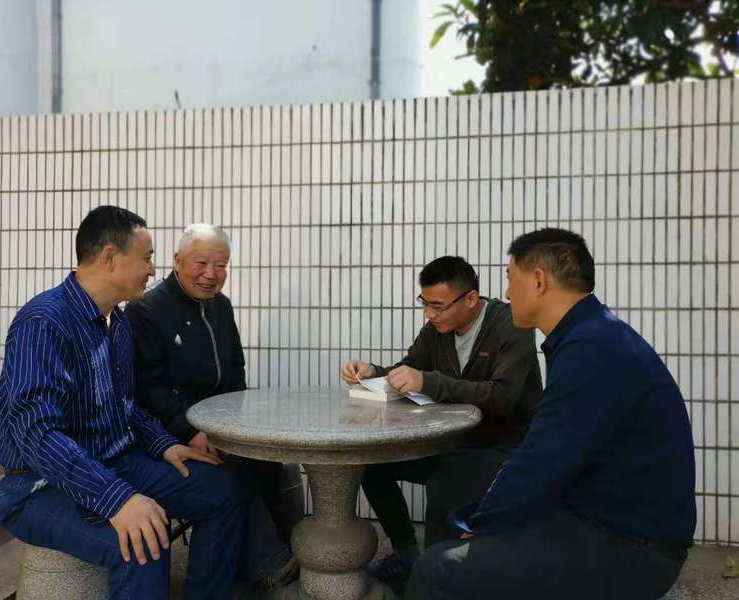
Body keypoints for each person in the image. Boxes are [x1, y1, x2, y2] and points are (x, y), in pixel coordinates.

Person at [406, 228, 696, 600]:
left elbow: (542, 459)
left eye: (511, 278)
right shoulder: (590, 335)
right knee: (459, 477)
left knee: (437, 569)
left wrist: (484, 524)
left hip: (632, 545)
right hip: (596, 513)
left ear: (539, 281)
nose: (507, 292)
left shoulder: (591, 349)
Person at [0, 206, 245, 600]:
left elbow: (125, 407)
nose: (152, 270)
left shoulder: (119, 322)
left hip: (117, 461)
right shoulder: (44, 322)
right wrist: (116, 498)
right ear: (110, 257)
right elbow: (37, 436)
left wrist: (165, 444)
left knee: (223, 489)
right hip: (39, 485)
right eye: (146, 258)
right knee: (145, 542)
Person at [340, 255, 542, 592]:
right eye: (424, 303)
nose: (429, 314)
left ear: (471, 299)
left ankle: (437, 580)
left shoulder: (510, 324)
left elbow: (502, 397)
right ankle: (407, 556)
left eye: (438, 306)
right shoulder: (437, 329)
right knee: (373, 464)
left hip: (502, 448)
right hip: (450, 441)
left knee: (446, 482)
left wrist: (429, 382)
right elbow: (410, 368)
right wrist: (374, 372)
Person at [125, 223, 296, 588]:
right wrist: (189, 431)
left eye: (221, 265)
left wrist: (237, 428)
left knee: (268, 460)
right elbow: (148, 388)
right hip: (168, 432)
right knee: (230, 476)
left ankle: (258, 563)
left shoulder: (221, 306)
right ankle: (271, 562)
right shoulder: (146, 310)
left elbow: (235, 373)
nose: (211, 274)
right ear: (178, 260)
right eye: (201, 263)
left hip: (218, 426)